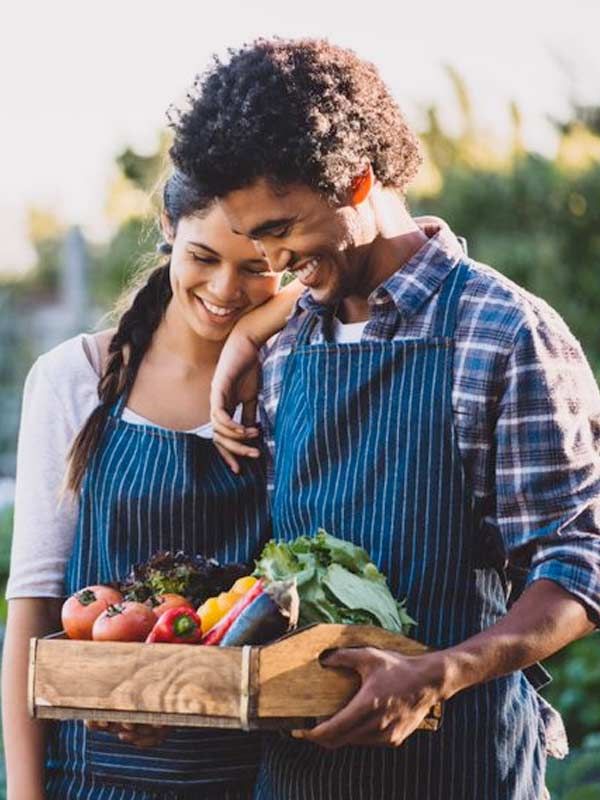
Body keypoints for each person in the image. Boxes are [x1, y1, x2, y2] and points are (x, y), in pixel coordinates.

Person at [180, 38, 600, 799]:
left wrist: (438, 674)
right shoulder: (286, 344)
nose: (271, 264)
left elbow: (577, 567)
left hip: (458, 768)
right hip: (298, 776)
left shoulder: (504, 334)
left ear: (359, 178)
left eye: (282, 229)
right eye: (257, 240)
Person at [1, 156, 305, 799]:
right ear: (167, 225)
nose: (225, 289)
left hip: (256, 774)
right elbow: (30, 610)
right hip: (94, 775)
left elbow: (400, 238)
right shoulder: (73, 379)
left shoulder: (292, 379)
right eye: (202, 257)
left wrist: (256, 332)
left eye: (255, 267)